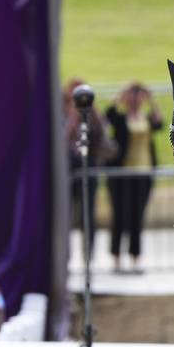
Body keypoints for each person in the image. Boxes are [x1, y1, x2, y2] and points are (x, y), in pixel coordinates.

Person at [104, 82, 162, 273]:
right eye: (133, 96)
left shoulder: (145, 118)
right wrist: (121, 94)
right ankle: (116, 258)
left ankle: (136, 257)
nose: (136, 100)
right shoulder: (121, 118)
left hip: (143, 173)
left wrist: (151, 99)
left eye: (138, 96)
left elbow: (159, 123)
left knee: (137, 216)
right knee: (119, 215)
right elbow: (108, 115)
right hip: (122, 174)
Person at [64, 77, 112, 255]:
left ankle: (88, 254)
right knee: (66, 215)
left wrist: (91, 114)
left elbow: (102, 135)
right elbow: (64, 138)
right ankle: (65, 254)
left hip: (88, 167)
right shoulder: (64, 111)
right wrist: (73, 117)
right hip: (68, 170)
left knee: (87, 214)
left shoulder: (93, 114)